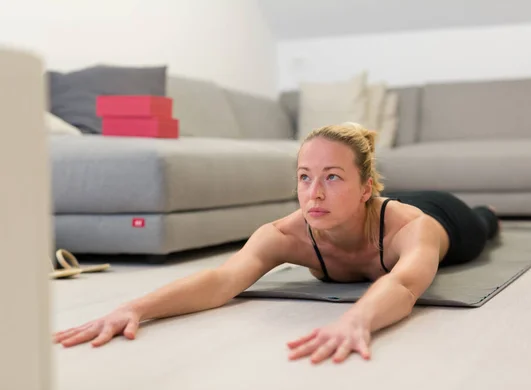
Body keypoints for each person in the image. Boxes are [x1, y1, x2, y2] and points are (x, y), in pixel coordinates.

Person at [53, 122, 500, 364]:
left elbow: (404, 287)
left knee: (485, 225)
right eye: (305, 178)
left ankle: (488, 216)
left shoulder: (410, 228)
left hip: (448, 218)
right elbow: (222, 280)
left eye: (332, 178)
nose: (314, 193)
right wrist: (135, 308)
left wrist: (358, 320)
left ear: (365, 187)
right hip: (380, 211)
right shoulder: (284, 234)